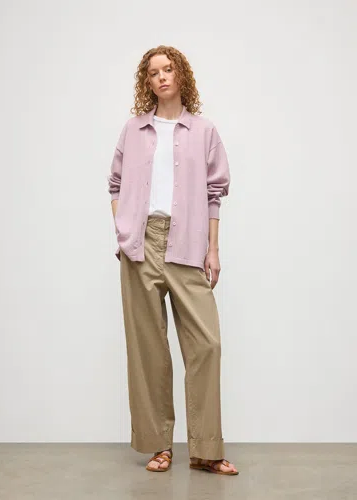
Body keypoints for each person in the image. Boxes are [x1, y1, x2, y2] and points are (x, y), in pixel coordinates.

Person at [107, 45, 238, 476]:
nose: (161, 77)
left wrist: (212, 249)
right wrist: (124, 231)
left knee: (207, 344)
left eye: (168, 69)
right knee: (148, 349)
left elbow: (215, 194)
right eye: (153, 72)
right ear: (146, 82)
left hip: (187, 241)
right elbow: (115, 183)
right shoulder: (133, 130)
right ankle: (158, 446)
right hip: (140, 245)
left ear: (182, 74)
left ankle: (206, 450)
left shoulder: (204, 131)